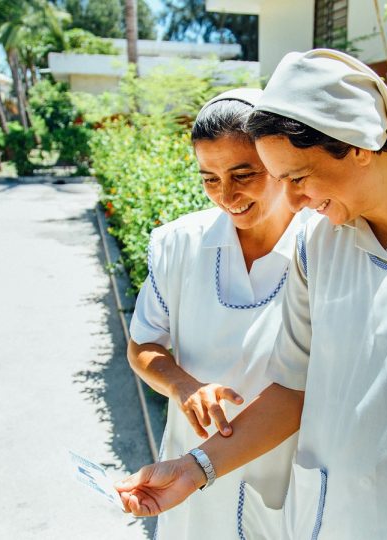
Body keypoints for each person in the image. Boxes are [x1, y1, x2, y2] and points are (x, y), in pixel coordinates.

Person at [116, 49, 387, 538]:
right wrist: (193, 469)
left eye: (296, 178)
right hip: (328, 520)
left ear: (358, 143)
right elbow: (292, 389)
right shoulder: (319, 247)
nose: (294, 201)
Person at [126, 88, 305, 539]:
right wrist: (184, 386)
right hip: (191, 462)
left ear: (279, 162)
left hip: (288, 465)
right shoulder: (180, 244)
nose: (226, 195)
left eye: (244, 174)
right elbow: (144, 344)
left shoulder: (323, 247)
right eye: (209, 178)